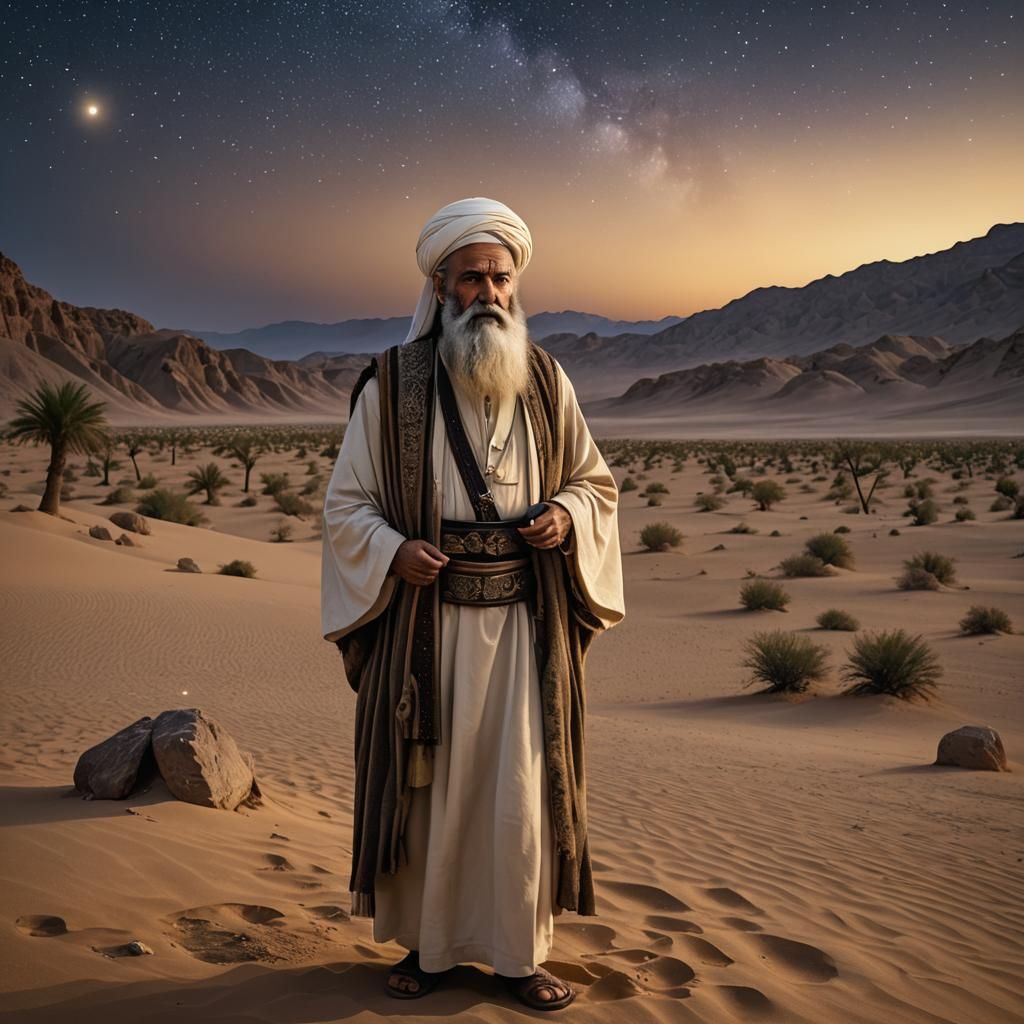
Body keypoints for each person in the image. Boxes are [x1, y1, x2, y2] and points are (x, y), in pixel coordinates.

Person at [321, 196, 624, 1011]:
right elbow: (345, 506)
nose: (488, 292)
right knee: (432, 799)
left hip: (527, 633)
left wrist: (567, 513)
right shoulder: (390, 384)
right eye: (470, 278)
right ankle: (429, 949)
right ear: (439, 285)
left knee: (517, 799)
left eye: (501, 277)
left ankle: (520, 958)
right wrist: (393, 551)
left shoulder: (548, 379)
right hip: (430, 626)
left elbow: (595, 483)